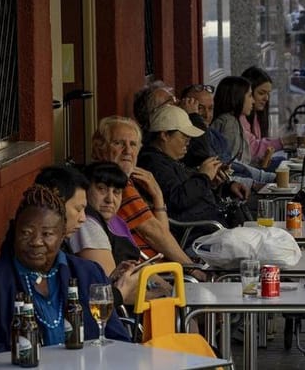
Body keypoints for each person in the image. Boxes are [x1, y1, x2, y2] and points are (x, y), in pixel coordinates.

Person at [0, 185, 134, 352]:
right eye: (26, 233)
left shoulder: (88, 273)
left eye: (47, 234)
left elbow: (118, 340)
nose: (36, 242)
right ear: (15, 233)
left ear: (62, 235)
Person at [91, 115, 197, 264]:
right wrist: (192, 268)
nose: (127, 150)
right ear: (99, 147)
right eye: (118, 143)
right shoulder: (111, 185)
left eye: (133, 144)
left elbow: (161, 232)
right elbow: (155, 234)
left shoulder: (129, 179)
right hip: (145, 274)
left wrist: (157, 196)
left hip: (158, 268)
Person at [137, 105, 236, 237]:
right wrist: (203, 177)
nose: (188, 142)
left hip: (210, 229)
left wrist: (211, 184)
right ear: (165, 135)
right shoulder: (153, 163)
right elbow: (178, 200)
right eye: (184, 137)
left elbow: (189, 192)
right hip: (195, 236)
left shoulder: (168, 159)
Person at [241, 66, 296, 168]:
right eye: (261, 93)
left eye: (268, 94)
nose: (266, 98)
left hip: (256, 167)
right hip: (248, 172)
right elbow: (252, 148)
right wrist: (285, 140)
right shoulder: (239, 118)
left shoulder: (256, 115)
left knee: (284, 162)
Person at [209, 75, 255, 166]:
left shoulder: (231, 120)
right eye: (250, 95)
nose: (253, 101)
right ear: (238, 97)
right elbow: (231, 164)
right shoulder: (229, 123)